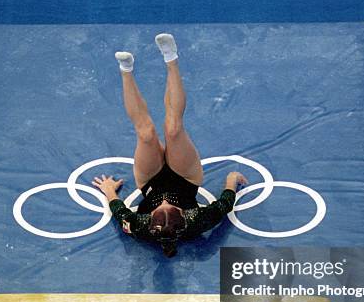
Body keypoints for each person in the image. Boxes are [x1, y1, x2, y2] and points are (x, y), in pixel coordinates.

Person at [92, 33, 247, 257]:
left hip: (150, 182)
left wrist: (108, 190)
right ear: (182, 214)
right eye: (168, 207)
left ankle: (126, 70)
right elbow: (225, 205)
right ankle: (171, 58)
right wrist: (232, 181)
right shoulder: (198, 221)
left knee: (146, 133)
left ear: (151, 217)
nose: (163, 202)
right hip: (185, 179)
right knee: (173, 129)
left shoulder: (141, 226)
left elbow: (119, 212)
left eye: (158, 208)